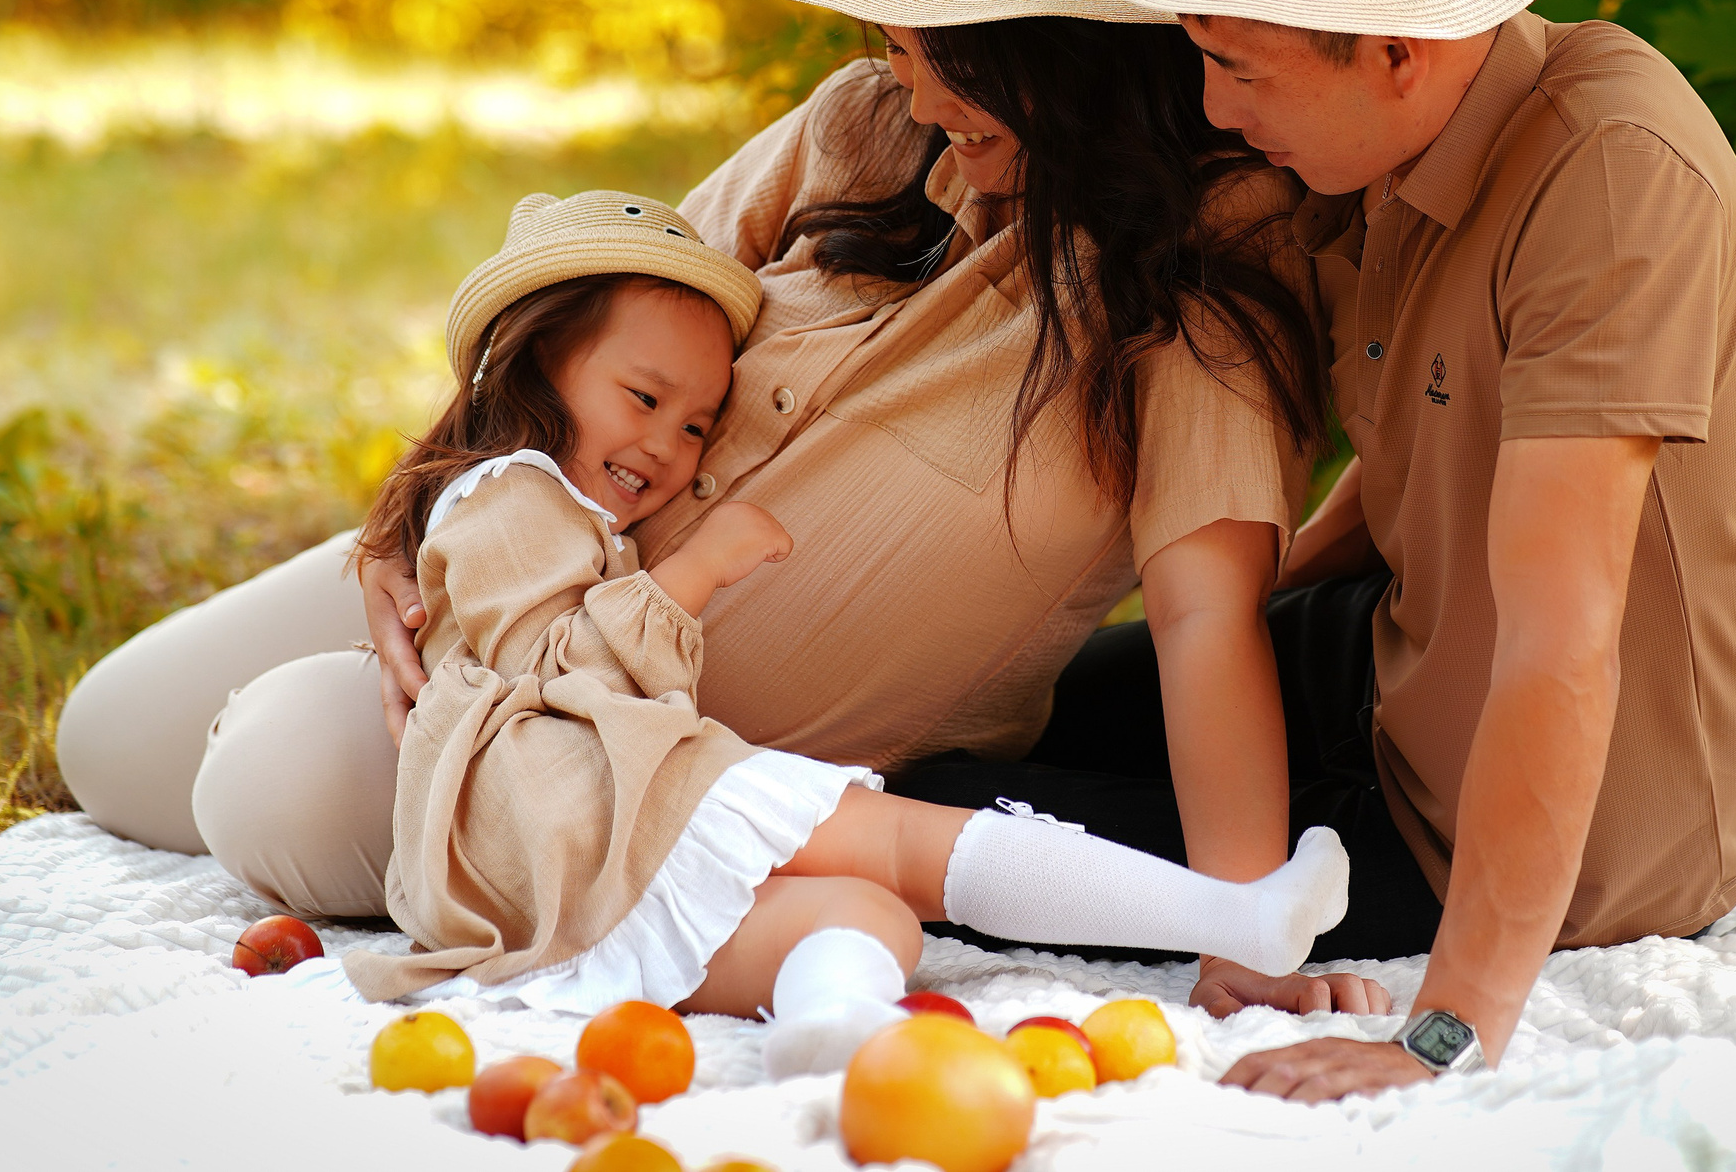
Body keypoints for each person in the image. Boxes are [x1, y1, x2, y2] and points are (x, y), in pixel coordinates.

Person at [53, 0, 1376, 1013]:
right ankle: (378, 688)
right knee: (108, 734)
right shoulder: (872, 120)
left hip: (632, 740)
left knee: (274, 765)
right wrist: (412, 530)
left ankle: (432, 775)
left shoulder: (1195, 289)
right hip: (522, 562)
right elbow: (586, 311)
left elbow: (1207, 618)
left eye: (935, 37)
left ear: (1058, 53)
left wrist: (1238, 918)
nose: (899, 62)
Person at [1044, 0, 1736, 1096]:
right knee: (1008, 715)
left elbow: (1562, 638)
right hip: (1387, 672)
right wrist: (1242, 610)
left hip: (1529, 832)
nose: (1215, 106)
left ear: (1402, 47)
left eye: (1243, 68)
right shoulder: (1393, 145)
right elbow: (1415, 478)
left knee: (948, 819)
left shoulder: (1611, 185)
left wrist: (1440, 1029)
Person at [331, 188, 1347, 1072]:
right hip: (558, 809)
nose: (667, 445)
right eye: (643, 398)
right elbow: (547, 668)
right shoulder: (508, 494)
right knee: (899, 843)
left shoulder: (573, 509)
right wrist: (697, 567)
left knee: (873, 918)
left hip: (566, 873)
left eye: (696, 424)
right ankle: (1232, 916)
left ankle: (833, 1024)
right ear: (535, 365)